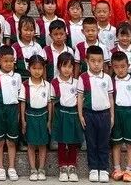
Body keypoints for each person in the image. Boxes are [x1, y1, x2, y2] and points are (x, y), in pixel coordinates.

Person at [77, 46, 114, 184]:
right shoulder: (83, 77)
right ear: (87, 61)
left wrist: (112, 116)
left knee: (103, 143)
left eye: (99, 61)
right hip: (89, 114)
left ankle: (103, 168)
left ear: (103, 61)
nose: (96, 64)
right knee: (91, 142)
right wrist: (80, 115)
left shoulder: (107, 78)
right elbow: (80, 97)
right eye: (93, 61)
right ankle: (93, 168)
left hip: (104, 114)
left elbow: (111, 98)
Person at [20, 55, 53, 181]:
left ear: (44, 69)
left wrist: (49, 120)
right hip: (30, 116)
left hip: (43, 116)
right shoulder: (25, 85)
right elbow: (23, 103)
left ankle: (42, 169)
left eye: (40, 68)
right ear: (29, 68)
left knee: (43, 144)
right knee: (31, 144)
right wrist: (23, 121)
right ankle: (33, 169)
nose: (37, 71)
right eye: (34, 68)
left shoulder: (47, 85)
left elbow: (50, 103)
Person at [51, 52, 82, 182]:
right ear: (59, 67)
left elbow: (80, 99)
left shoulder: (77, 82)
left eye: (70, 66)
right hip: (60, 114)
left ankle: (72, 166)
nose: (67, 69)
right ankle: (63, 166)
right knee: (62, 142)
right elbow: (52, 102)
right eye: (64, 66)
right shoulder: (54, 82)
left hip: (73, 114)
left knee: (73, 142)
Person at [0, 45, 22, 182]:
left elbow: (19, 97)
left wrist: (18, 114)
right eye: (5, 61)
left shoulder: (17, 76)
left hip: (12, 110)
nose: (8, 64)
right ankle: (0, 168)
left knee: (11, 141)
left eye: (11, 61)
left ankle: (11, 167)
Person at [110, 51, 131, 183]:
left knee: (130, 143)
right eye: (116, 67)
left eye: (123, 66)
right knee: (116, 142)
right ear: (112, 67)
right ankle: (117, 169)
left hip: (130, 113)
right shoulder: (111, 81)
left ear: (128, 66)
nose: (120, 70)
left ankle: (129, 170)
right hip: (117, 112)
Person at [12, 16, 44, 80]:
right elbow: (12, 66)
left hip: (36, 79)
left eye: (31, 30)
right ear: (19, 30)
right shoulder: (15, 47)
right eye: (26, 30)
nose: (28, 33)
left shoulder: (37, 47)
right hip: (21, 79)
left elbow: (43, 65)